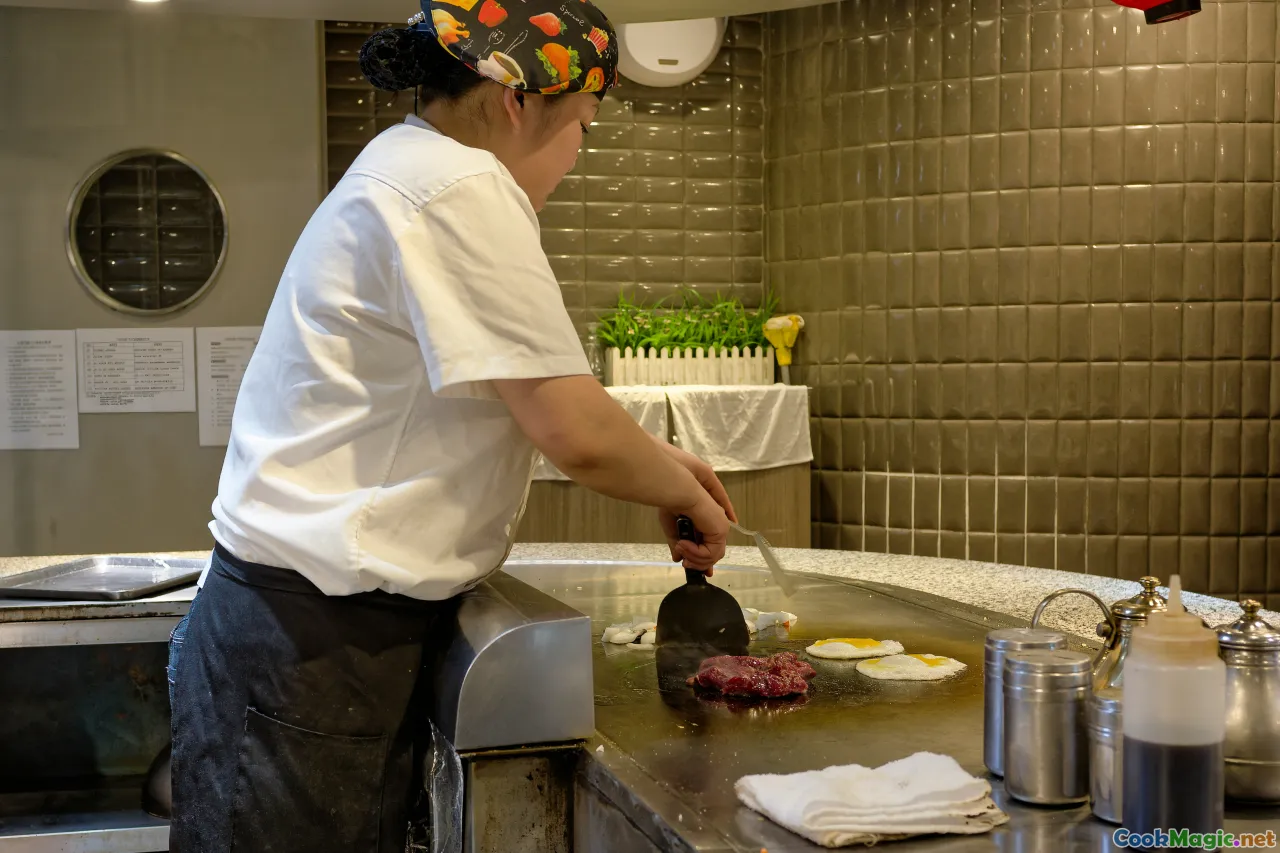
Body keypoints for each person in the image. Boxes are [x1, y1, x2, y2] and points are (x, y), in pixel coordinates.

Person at [167, 1, 736, 850]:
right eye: (581, 124)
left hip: (304, 637)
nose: (578, 153)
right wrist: (689, 492)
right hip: (315, 648)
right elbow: (569, 424)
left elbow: (512, 393)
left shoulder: (408, 166)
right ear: (516, 100)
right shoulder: (459, 184)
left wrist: (658, 462)